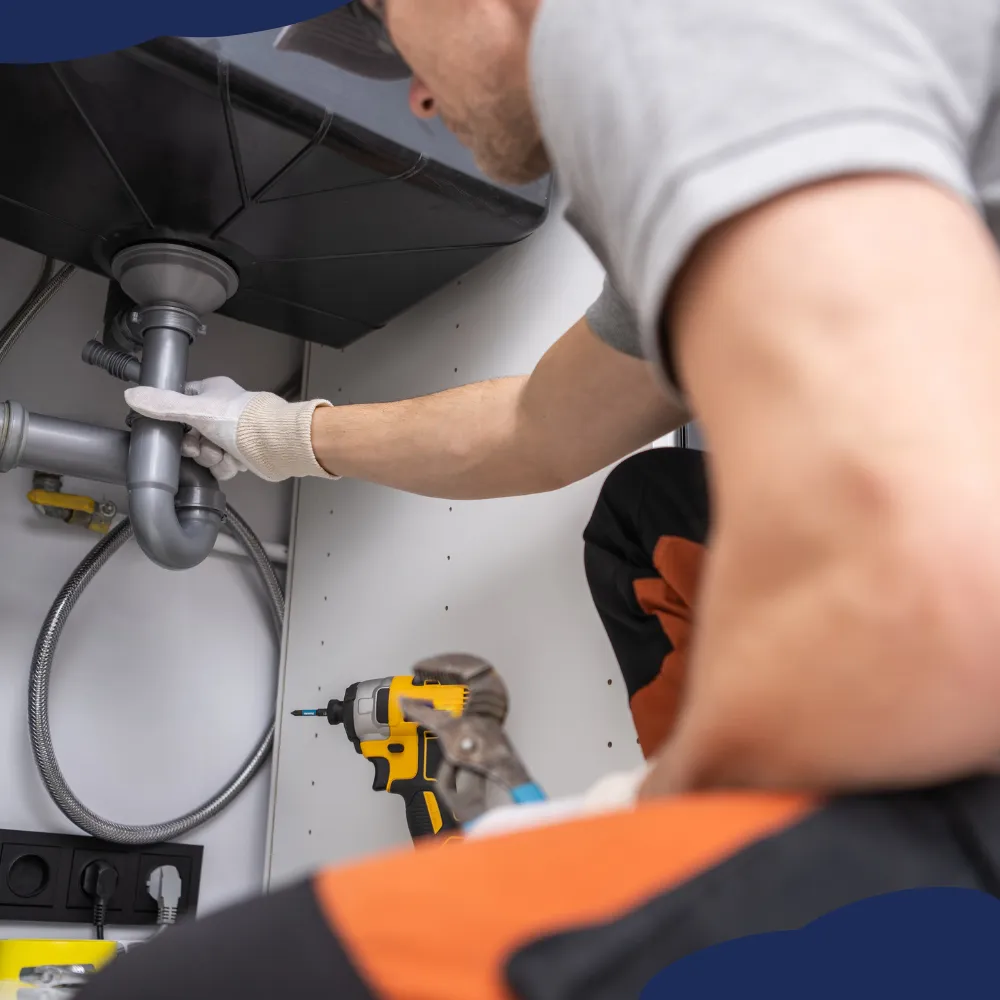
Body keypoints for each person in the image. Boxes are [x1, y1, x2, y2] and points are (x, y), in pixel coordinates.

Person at [85, 1, 1000, 995]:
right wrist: (272, 435)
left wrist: (627, 825)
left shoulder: (644, 27)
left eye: (394, 36)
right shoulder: (754, 87)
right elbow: (536, 425)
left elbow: (920, 586)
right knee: (649, 519)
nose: (419, 96)